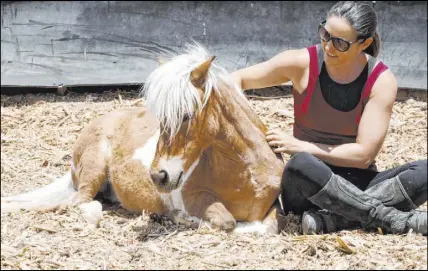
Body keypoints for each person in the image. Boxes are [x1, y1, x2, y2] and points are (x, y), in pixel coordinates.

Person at [231, 1, 427, 235]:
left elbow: (363, 156)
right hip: (306, 186)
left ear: (364, 44)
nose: (328, 47)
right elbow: (236, 79)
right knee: (300, 163)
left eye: (340, 43)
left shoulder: (381, 81)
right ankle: (388, 218)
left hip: (357, 183)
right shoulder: (300, 63)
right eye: (325, 34)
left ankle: (334, 221)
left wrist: (301, 145)